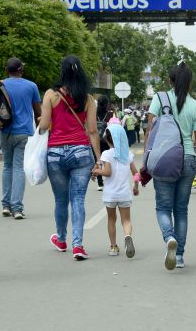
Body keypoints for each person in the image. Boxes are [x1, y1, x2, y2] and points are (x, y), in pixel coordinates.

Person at [146, 62, 196, 270]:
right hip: (188, 159)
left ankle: (169, 237)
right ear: (189, 82)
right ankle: (180, 256)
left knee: (163, 207)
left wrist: (147, 160)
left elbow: (150, 131)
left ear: (170, 81)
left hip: (164, 159)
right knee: (181, 210)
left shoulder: (159, 99)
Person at [38, 55, 101, 260]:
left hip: (55, 153)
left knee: (61, 199)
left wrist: (40, 122)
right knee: (78, 199)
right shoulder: (88, 98)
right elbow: (92, 130)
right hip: (81, 152)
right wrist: (98, 158)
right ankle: (78, 245)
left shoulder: (51, 95)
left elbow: (45, 126)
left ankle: (62, 239)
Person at [0, 58, 42, 219]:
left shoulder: (0, 85)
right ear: (21, 69)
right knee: (18, 168)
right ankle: (17, 208)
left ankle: (5, 205)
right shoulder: (31, 86)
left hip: (4, 130)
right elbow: (38, 112)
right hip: (24, 132)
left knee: (7, 167)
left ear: (6, 70)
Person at [92, 123, 139, 258]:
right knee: (126, 220)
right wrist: (136, 187)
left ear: (107, 139)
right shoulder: (128, 155)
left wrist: (96, 171)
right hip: (124, 193)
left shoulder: (106, 154)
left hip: (111, 195)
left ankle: (113, 247)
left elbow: (107, 172)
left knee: (111, 219)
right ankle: (128, 236)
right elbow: (136, 174)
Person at [95, 94, 112, 191]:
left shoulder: (93, 113)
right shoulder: (109, 114)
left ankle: (100, 183)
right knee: (108, 160)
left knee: (98, 159)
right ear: (106, 104)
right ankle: (108, 180)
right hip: (107, 140)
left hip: (96, 140)